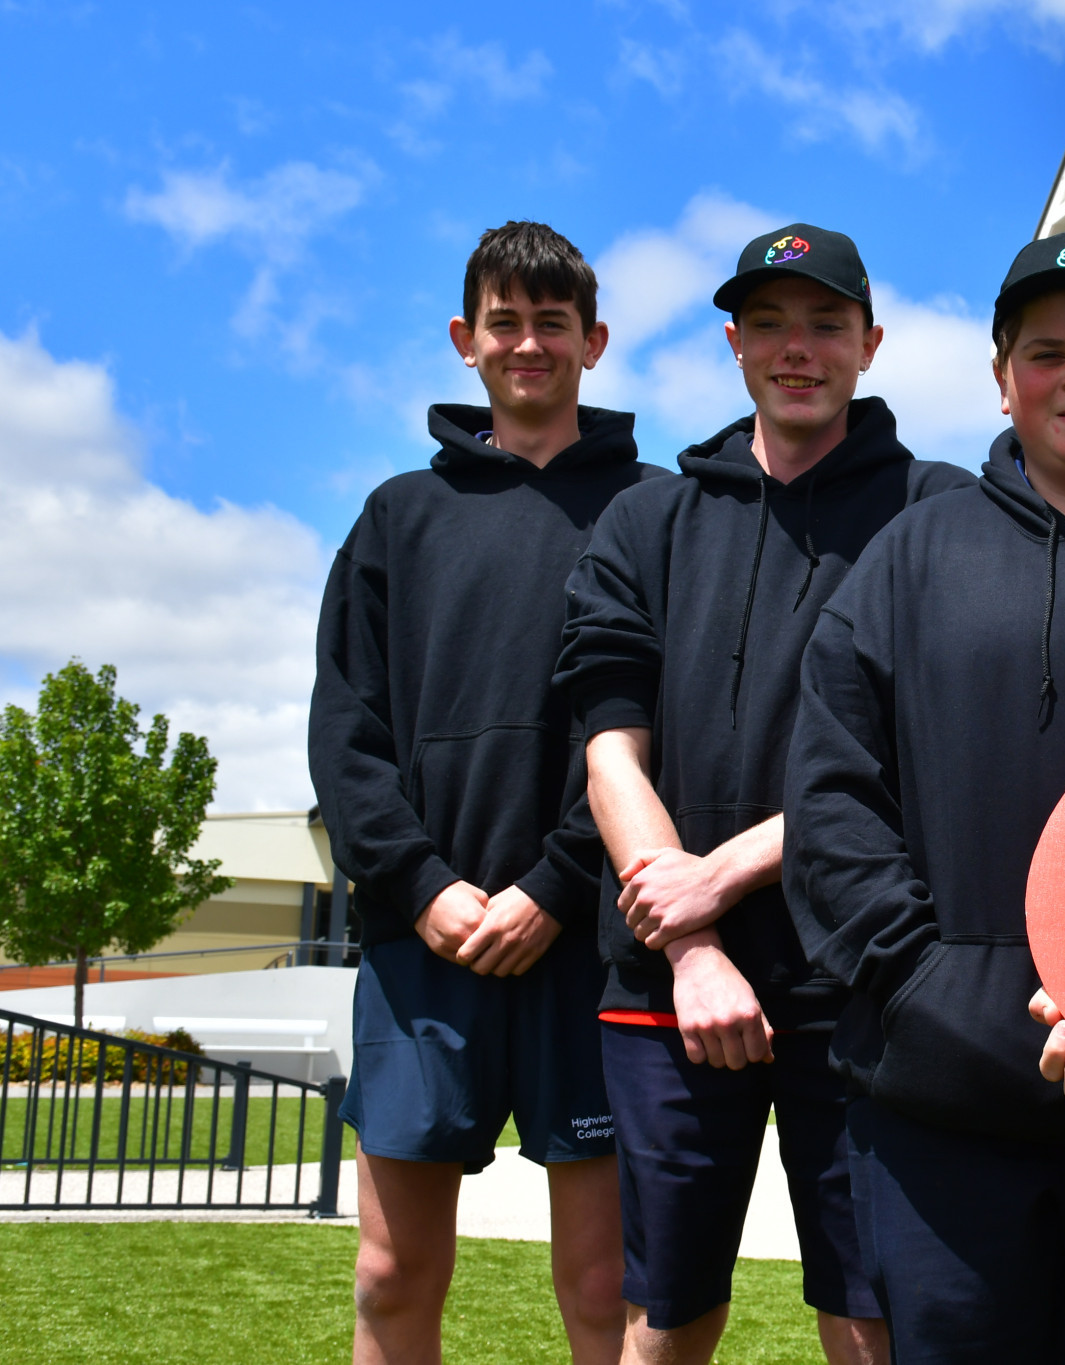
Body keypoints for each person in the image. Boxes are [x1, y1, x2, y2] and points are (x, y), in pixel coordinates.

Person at [782, 230, 1065, 1364]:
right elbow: (834, 801)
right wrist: (928, 986)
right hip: (943, 1112)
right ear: (1001, 378)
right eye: (1045, 352)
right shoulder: (906, 556)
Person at [553, 223, 974, 1365]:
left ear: (870, 343)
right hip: (664, 987)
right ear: (733, 343)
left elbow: (909, 752)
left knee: (868, 1305)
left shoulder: (935, 514)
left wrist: (718, 877)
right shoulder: (644, 520)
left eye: (825, 325)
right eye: (772, 325)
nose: (799, 350)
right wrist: (688, 944)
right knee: (666, 1310)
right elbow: (605, 749)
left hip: (861, 974)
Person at [311, 220, 667, 1365]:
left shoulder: (656, 511)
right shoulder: (395, 517)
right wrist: (419, 886)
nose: (528, 343)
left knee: (604, 1282)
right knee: (391, 1273)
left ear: (594, 341)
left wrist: (559, 883)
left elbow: (660, 723)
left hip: (594, 941)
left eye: (550, 323)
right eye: (504, 322)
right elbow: (344, 727)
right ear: (465, 340)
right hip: (427, 943)